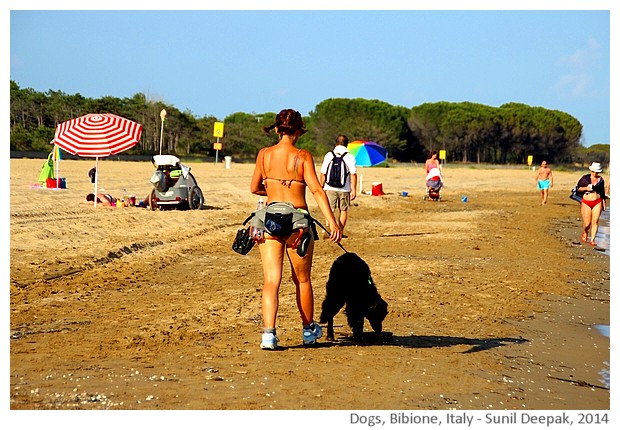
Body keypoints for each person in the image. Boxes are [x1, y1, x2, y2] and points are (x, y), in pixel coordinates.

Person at [250, 109, 342, 350]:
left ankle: (268, 335)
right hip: (297, 223)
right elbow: (317, 190)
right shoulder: (303, 156)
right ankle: (308, 330)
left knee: (271, 280)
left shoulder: (264, 155)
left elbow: (254, 187)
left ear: (277, 129)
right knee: (302, 280)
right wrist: (332, 222)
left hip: (269, 219)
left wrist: (273, 190)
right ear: (299, 131)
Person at [319, 135, 357, 236]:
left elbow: (323, 173)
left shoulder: (329, 155)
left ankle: (329, 231)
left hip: (329, 187)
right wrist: (353, 190)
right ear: (347, 144)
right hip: (345, 189)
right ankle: (339, 232)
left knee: (329, 209)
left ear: (336, 143)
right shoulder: (349, 156)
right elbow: (353, 174)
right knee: (343, 210)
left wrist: (321, 186)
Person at [574, 162, 607, 246]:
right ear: (591, 170)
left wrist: (603, 202)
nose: (595, 173)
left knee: (595, 221)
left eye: (597, 172)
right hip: (586, 202)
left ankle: (592, 240)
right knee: (587, 223)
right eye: (593, 171)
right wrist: (586, 188)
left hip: (597, 201)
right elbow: (578, 188)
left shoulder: (601, 180)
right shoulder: (585, 178)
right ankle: (585, 231)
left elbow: (602, 192)